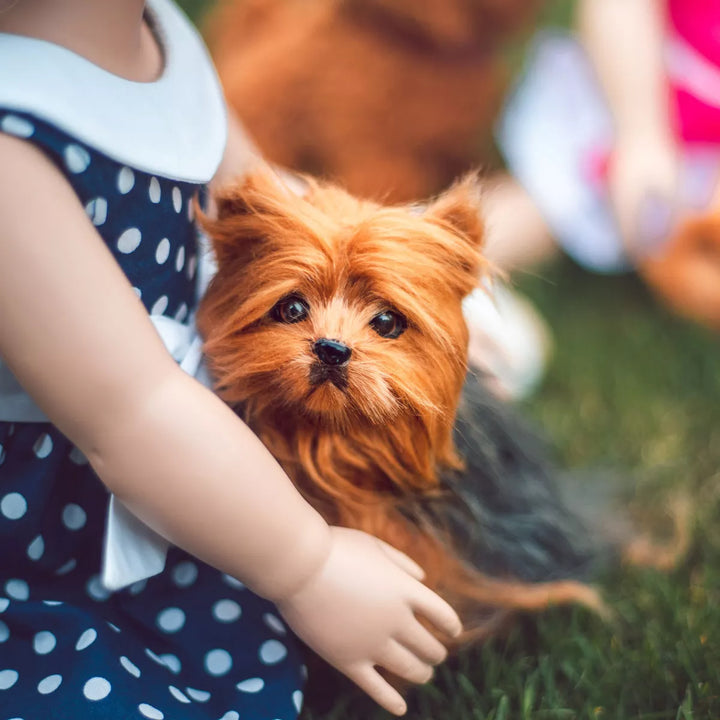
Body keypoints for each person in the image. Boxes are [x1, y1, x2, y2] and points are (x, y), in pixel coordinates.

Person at [0, 1, 462, 718]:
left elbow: (270, 202)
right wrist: (307, 563)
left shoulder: (158, 33)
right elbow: (130, 411)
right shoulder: (12, 139)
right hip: (47, 522)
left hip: (179, 447)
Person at [497, 0, 720, 279]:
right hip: (627, 97)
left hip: (702, 162)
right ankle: (442, 265)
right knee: (545, 203)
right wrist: (641, 136)